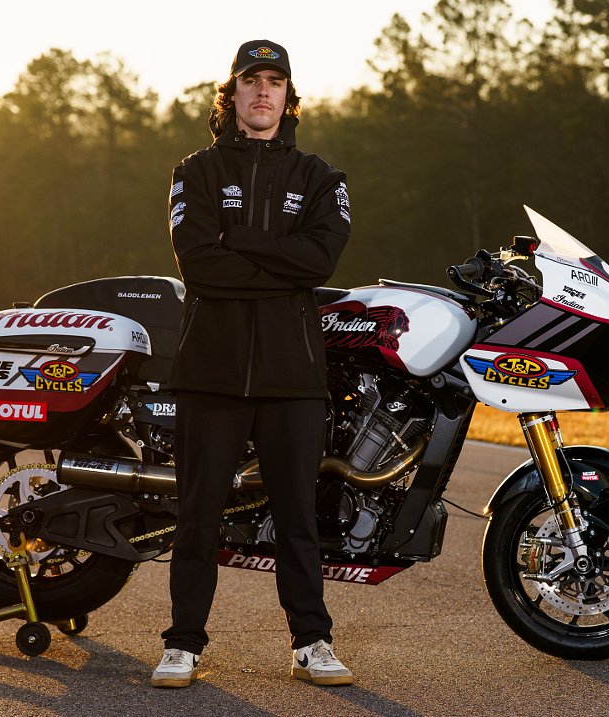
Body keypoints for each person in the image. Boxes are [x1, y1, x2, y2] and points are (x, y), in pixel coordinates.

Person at [151, 40, 354, 688]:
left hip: (292, 374)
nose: (263, 92)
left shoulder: (322, 178)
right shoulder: (196, 172)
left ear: (288, 96)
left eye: (274, 81)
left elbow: (319, 263)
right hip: (210, 369)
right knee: (199, 513)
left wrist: (237, 239)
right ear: (231, 95)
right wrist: (278, 262)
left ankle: (312, 643)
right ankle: (183, 644)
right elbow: (197, 262)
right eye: (251, 81)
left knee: (297, 515)